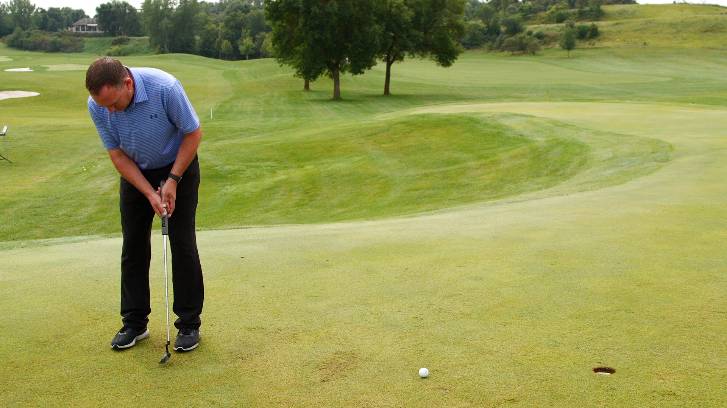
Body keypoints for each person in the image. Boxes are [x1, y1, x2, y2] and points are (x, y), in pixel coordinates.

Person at [86, 57, 204, 352]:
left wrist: (173, 180)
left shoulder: (165, 88)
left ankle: (189, 324)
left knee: (182, 242)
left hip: (179, 166)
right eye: (104, 106)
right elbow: (117, 155)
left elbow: (193, 133)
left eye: (114, 104)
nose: (109, 111)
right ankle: (134, 323)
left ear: (127, 83)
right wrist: (149, 193)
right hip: (136, 171)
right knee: (134, 246)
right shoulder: (97, 105)